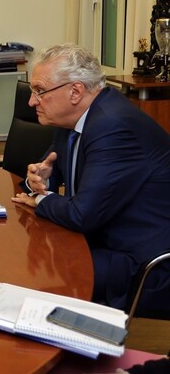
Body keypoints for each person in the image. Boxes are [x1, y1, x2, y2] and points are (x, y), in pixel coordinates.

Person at [11, 43, 170, 313]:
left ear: (75, 91)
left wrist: (39, 198)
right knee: (24, 257)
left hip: (141, 262)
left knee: (29, 276)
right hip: (102, 238)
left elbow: (81, 214)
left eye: (39, 91)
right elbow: (46, 170)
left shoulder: (113, 126)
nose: (31, 101)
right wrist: (37, 179)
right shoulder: (73, 120)